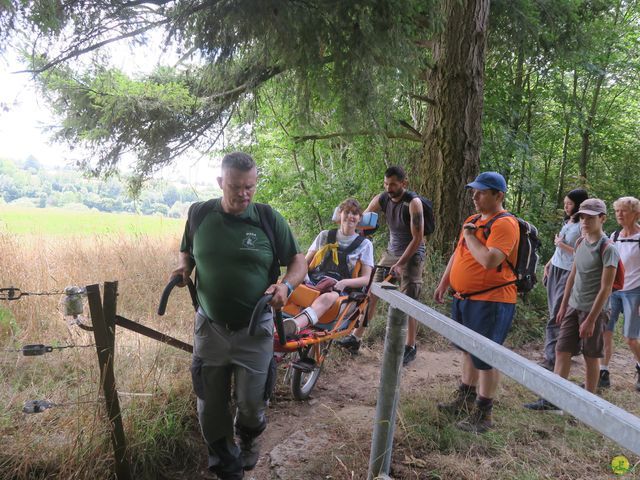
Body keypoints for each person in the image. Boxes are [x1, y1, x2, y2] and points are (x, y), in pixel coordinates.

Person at [170, 152, 307, 480]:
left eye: (250, 186)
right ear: (221, 183)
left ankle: (248, 437)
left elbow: (298, 261)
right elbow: (188, 251)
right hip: (210, 328)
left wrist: (286, 286)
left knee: (250, 404)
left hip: (254, 327)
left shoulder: (268, 219)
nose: (243, 193)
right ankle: (227, 468)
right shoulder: (199, 214)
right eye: (235, 186)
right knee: (209, 407)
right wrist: (184, 269)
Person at [433, 171, 519, 433]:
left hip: (492, 301)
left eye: (481, 192)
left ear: (498, 195)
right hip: (464, 298)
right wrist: (445, 281)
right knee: (468, 350)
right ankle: (465, 398)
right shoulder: (472, 220)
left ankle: (484, 413)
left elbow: (490, 260)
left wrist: (470, 236)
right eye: (474, 190)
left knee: (486, 356)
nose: (475, 195)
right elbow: (458, 254)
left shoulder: (505, 224)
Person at [525, 199, 620, 412]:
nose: (585, 221)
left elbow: (606, 288)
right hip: (572, 307)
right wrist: (563, 306)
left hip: (594, 311)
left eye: (591, 217)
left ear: (602, 219)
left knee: (591, 356)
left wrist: (591, 319)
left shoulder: (608, 249)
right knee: (562, 350)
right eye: (583, 216)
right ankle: (553, 400)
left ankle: (588, 405)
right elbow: (572, 276)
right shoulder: (580, 242)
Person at [337, 166, 425, 366]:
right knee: (372, 292)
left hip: (412, 255)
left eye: (393, 184)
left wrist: (401, 264)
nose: (389, 188)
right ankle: (356, 338)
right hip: (391, 253)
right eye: (386, 184)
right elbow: (363, 219)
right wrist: (353, 235)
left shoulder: (413, 203)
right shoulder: (383, 198)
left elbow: (418, 238)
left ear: (404, 183)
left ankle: (410, 346)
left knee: (408, 301)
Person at [282, 198, 374, 335]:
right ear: (339, 214)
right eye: (347, 212)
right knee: (285, 284)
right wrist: (303, 276)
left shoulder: (365, 245)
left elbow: (366, 279)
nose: (350, 216)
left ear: (360, 218)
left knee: (328, 297)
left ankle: (295, 325)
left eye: (354, 213)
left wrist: (344, 283)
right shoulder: (324, 236)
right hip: (315, 280)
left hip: (341, 288)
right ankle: (272, 322)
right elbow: (304, 263)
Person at [539, 189, 589, 371]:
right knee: (554, 311)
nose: (566, 207)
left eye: (569, 203)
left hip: (569, 272)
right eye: (565, 203)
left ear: (578, 204)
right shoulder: (568, 221)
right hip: (556, 269)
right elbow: (558, 248)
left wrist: (561, 245)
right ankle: (556, 353)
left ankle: (551, 358)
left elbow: (582, 253)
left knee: (557, 315)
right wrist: (549, 262)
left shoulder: (583, 224)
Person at [601, 196, 640, 390]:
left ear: (636, 214)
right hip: (614, 290)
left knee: (630, 338)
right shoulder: (614, 236)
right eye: (617, 211)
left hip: (635, 292)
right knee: (605, 332)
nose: (620, 214)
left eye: (624, 210)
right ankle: (603, 372)